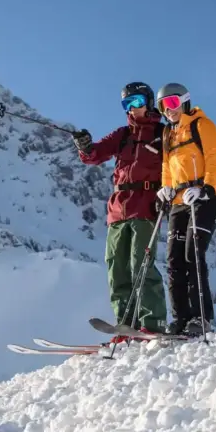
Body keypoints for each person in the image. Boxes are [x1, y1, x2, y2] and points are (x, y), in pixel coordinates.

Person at [71, 82, 169, 337]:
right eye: (127, 104)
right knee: (117, 267)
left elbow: (176, 165)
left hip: (146, 205)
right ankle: (126, 323)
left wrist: (168, 193)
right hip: (118, 209)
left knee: (141, 264)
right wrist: (85, 146)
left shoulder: (163, 134)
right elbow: (95, 155)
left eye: (137, 102)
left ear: (149, 102)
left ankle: (152, 322)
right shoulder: (123, 135)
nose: (132, 108)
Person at [154, 83, 216, 337]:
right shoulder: (168, 133)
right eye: (163, 106)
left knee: (192, 254)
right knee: (174, 260)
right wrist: (165, 189)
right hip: (178, 201)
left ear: (184, 101)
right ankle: (180, 318)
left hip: (204, 198)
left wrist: (207, 188)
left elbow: (214, 158)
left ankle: (200, 317)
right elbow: (167, 167)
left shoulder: (202, 125)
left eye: (172, 103)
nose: (168, 110)